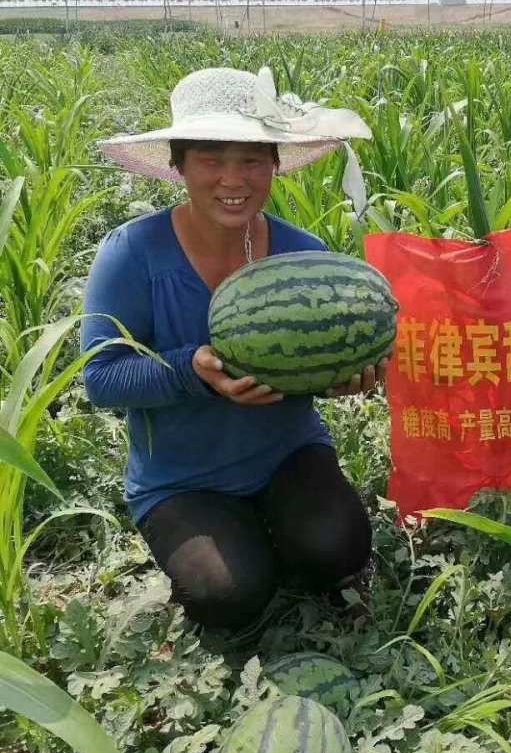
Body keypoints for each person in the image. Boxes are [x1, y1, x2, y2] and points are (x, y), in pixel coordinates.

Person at [81, 65, 383, 643]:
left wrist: (343, 377)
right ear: (178, 164)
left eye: (251, 159)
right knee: (227, 595)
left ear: (274, 165)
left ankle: (276, 524)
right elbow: (101, 378)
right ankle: (236, 538)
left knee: (338, 551)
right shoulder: (132, 254)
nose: (232, 179)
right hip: (180, 478)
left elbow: (311, 359)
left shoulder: (303, 253)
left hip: (287, 453)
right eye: (210, 159)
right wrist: (191, 369)